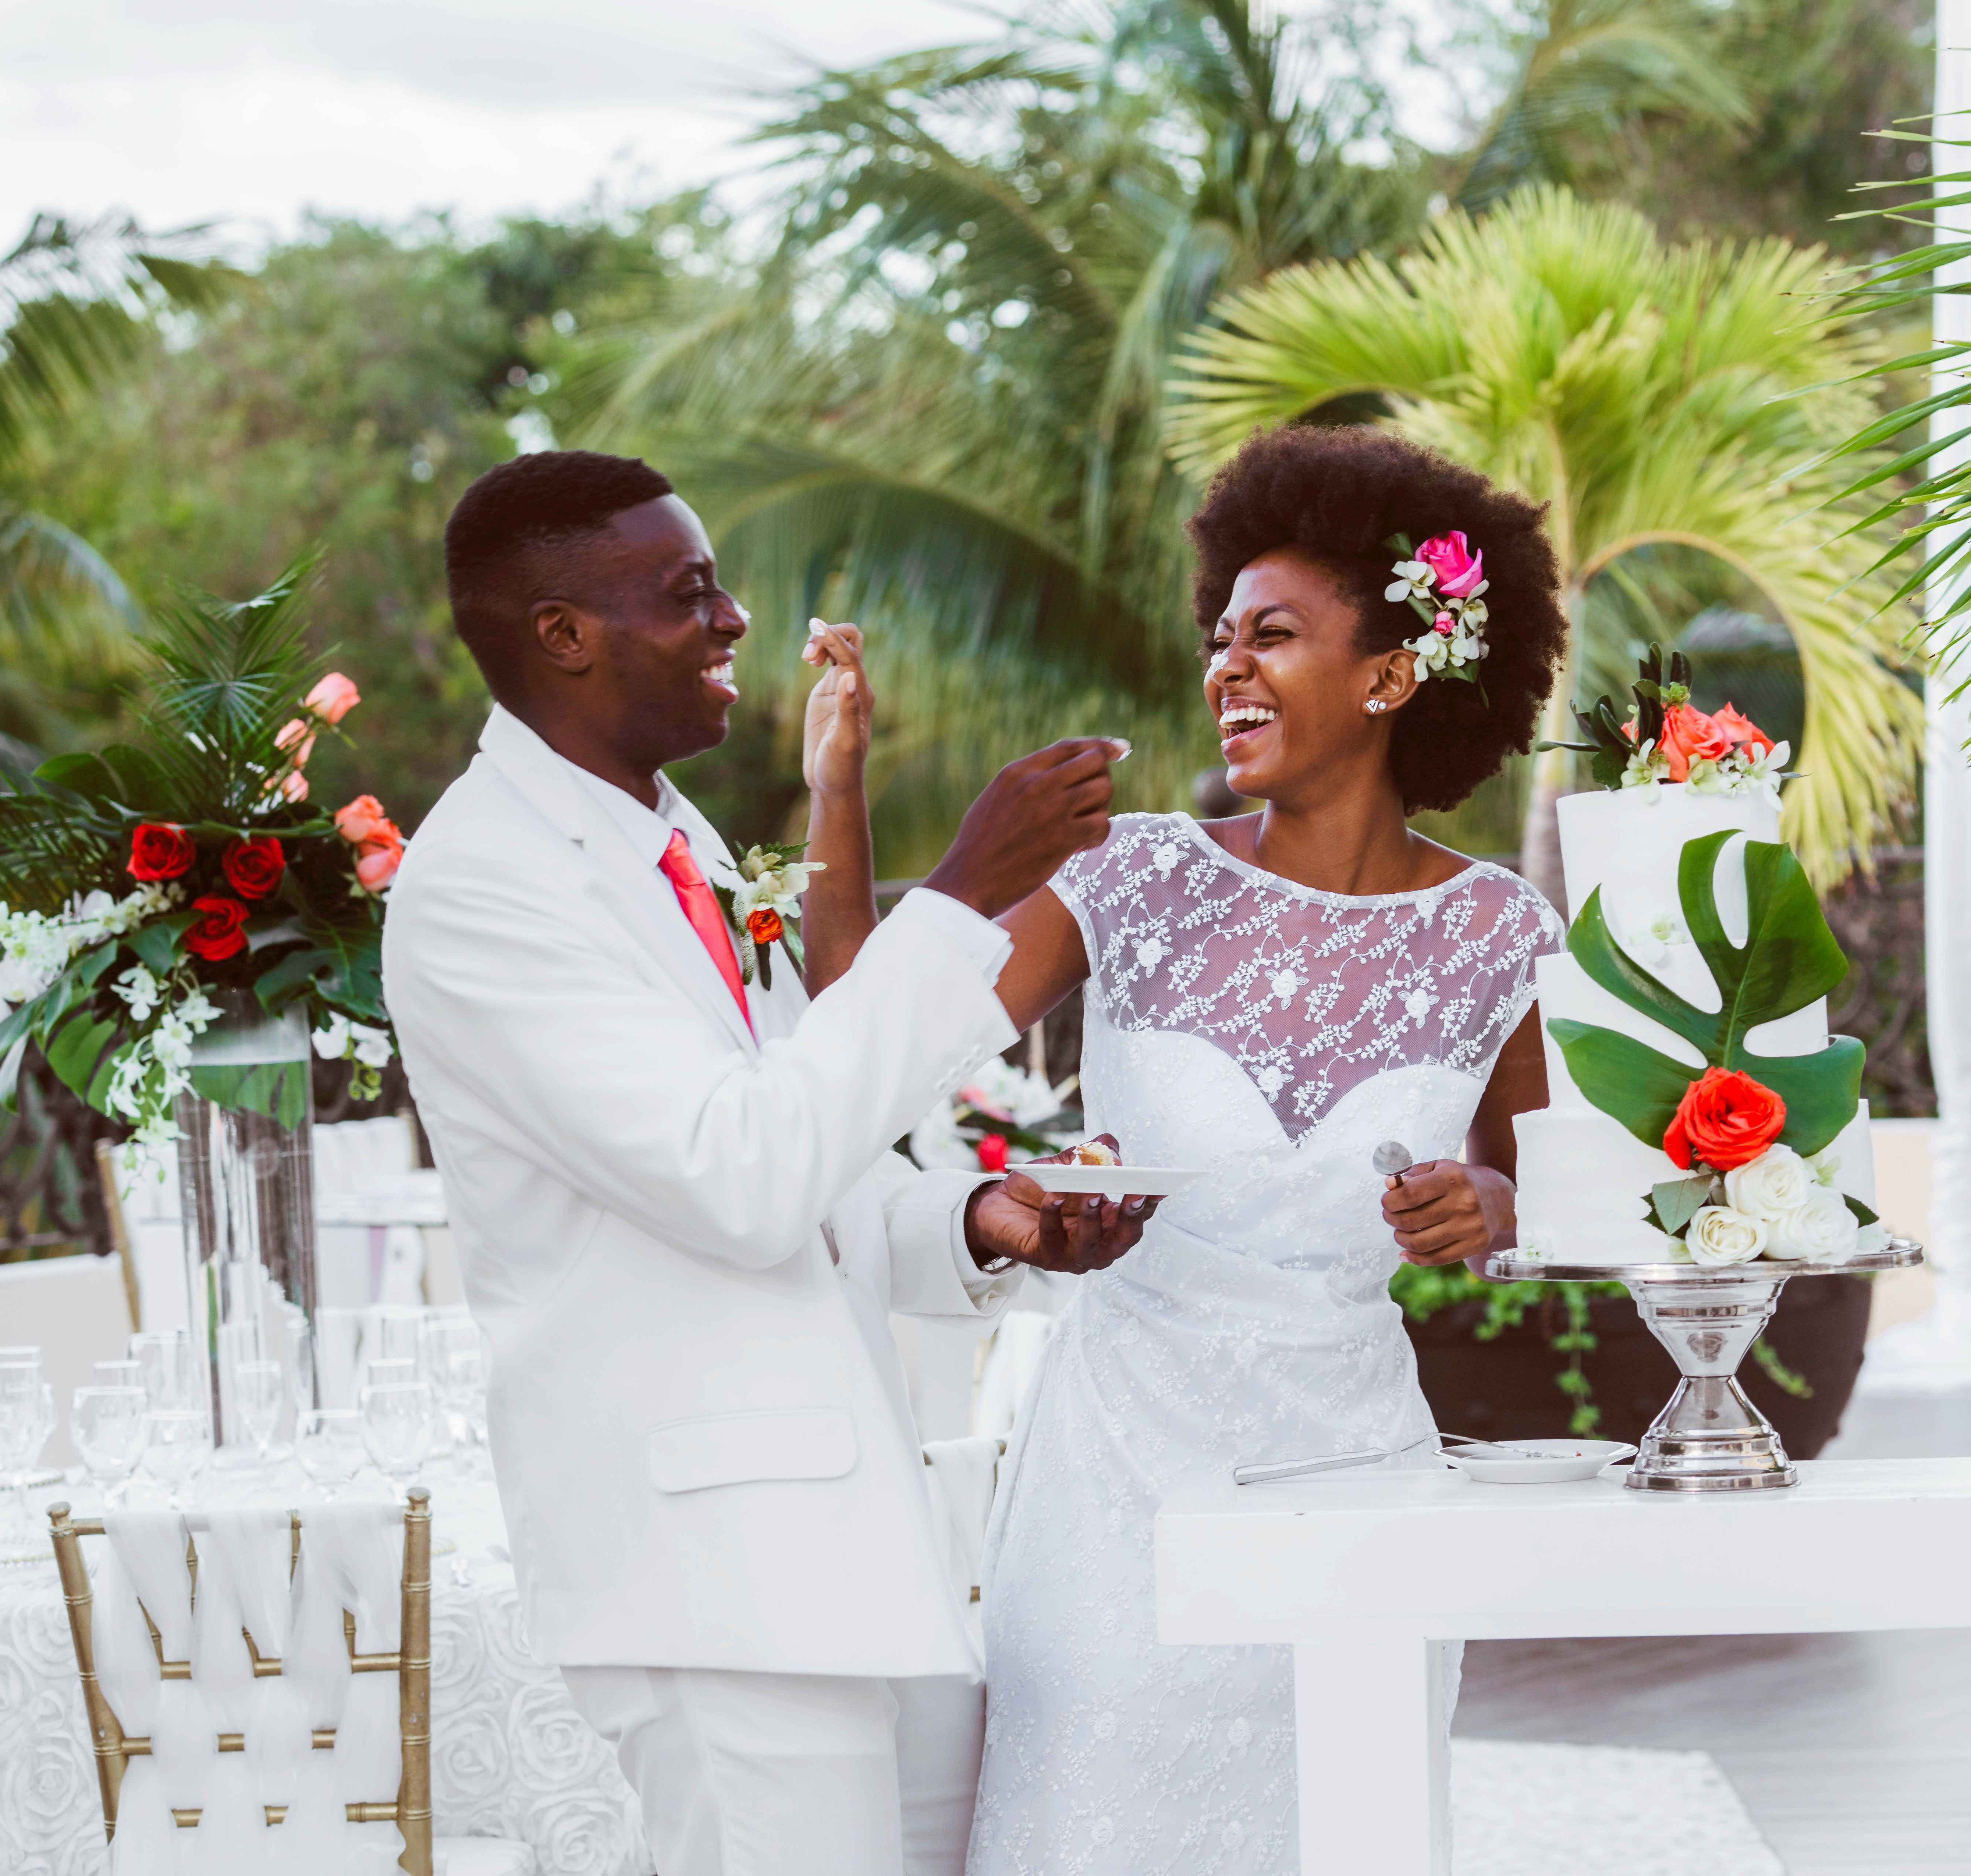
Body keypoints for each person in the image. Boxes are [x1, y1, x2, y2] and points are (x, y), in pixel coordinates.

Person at [383, 451, 1151, 1876]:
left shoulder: (669, 844)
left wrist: (976, 1220)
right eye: (689, 593)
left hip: (852, 1548)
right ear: (562, 635)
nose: (735, 620)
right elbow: (738, 1178)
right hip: (713, 1584)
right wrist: (966, 891)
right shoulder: (483, 884)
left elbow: (812, 1146)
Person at [960, 424, 1569, 1875]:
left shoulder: (1501, 934)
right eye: (1220, 635)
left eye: (1273, 634)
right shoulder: (1132, 875)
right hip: (1114, 1484)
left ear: (1391, 672)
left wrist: (1480, 1205)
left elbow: (1543, 1181)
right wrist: (848, 793)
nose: (1227, 664)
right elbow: (897, 1033)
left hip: (1359, 1478)